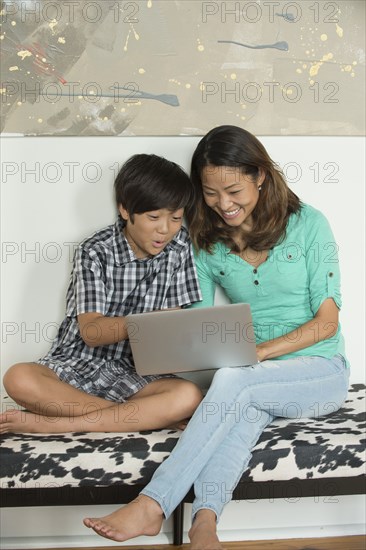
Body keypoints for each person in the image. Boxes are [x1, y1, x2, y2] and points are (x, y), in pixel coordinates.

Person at [82, 126, 350, 550]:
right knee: (239, 411)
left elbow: (327, 323)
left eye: (233, 190)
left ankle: (153, 504)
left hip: (321, 371)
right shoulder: (206, 243)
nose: (223, 205)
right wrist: (174, 345)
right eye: (210, 193)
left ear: (260, 175)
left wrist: (258, 352)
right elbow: (199, 321)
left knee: (235, 380)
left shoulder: (309, 225)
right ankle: (204, 526)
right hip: (255, 376)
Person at [0, 154, 203, 434]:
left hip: (137, 372)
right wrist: (150, 322)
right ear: (124, 210)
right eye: (154, 217)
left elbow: (172, 326)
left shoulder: (180, 247)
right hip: (77, 366)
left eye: (176, 218)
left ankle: (56, 424)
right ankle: (133, 417)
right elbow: (93, 333)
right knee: (18, 377)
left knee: (189, 395)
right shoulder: (95, 250)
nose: (165, 229)